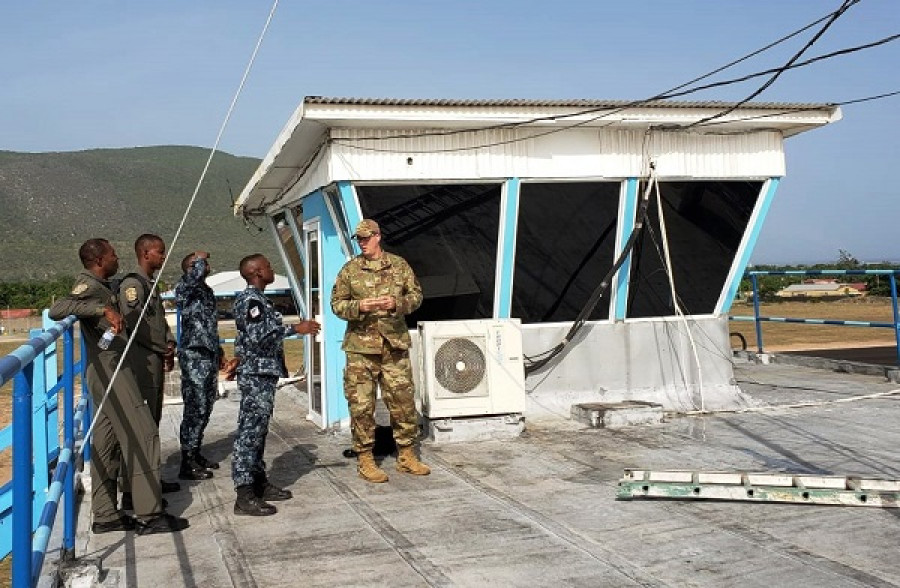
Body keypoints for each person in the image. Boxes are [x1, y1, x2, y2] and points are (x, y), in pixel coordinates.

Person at [49, 238, 188, 535]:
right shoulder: (89, 285)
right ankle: (149, 514)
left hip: (110, 369)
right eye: (112, 254)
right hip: (110, 370)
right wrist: (104, 310)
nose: (116, 258)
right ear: (99, 260)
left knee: (107, 443)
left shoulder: (102, 285)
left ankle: (105, 515)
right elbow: (58, 309)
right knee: (143, 434)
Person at [330, 219, 430, 483]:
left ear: (378, 236)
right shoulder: (350, 270)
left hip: (393, 346)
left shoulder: (399, 265)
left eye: (366, 237)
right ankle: (365, 459)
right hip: (360, 350)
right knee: (362, 406)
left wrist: (396, 303)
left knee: (403, 402)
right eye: (359, 239)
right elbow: (336, 305)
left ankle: (407, 456)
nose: (362, 242)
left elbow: (417, 296)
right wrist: (358, 307)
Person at [232, 254, 321, 516]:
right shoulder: (251, 301)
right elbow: (259, 337)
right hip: (255, 375)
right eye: (268, 267)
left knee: (258, 431)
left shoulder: (259, 299)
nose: (272, 270)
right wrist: (297, 328)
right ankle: (244, 494)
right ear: (257, 272)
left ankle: (258, 482)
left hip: (263, 374)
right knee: (249, 433)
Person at [117, 234, 181, 507]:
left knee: (152, 422)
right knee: (141, 426)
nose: (163, 257)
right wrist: (160, 345)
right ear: (145, 253)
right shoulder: (133, 285)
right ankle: (134, 490)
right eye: (159, 252)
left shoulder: (149, 284)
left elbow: (158, 320)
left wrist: (169, 342)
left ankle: (149, 478)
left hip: (154, 358)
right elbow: (136, 325)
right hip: (142, 361)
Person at [174, 251, 223, 480]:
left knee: (206, 406)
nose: (208, 266)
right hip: (194, 356)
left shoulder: (205, 290)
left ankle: (196, 451)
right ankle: (187, 460)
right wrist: (198, 260)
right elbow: (192, 278)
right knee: (195, 407)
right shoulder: (186, 285)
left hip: (208, 353)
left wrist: (219, 349)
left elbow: (209, 324)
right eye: (203, 264)